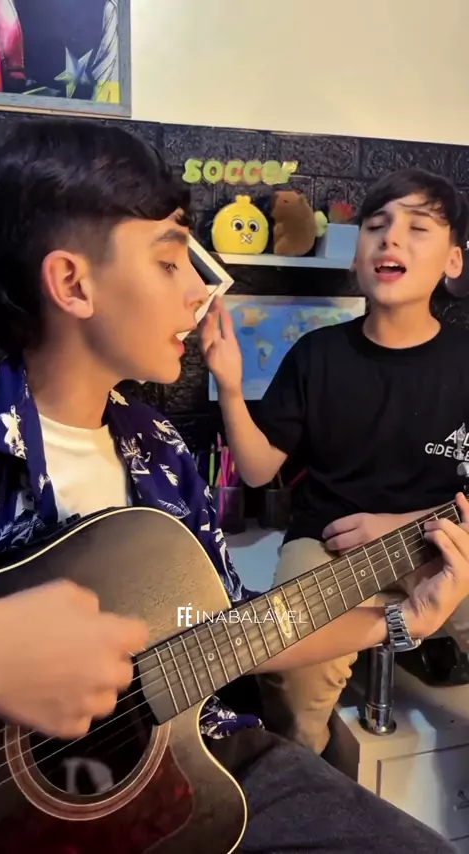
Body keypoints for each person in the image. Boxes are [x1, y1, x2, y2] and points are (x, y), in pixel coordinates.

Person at [0, 118, 467, 854]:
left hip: (197, 757)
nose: (200, 291)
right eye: (170, 261)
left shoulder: (159, 449)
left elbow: (224, 630)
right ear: (73, 283)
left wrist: (403, 622)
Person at [202, 167, 469, 757]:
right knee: (290, 679)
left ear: (453, 260)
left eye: (417, 227)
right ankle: (312, 776)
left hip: (442, 543)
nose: (390, 237)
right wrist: (230, 385)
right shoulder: (317, 354)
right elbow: (256, 470)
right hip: (328, 544)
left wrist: (402, 527)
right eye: (376, 225)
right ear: (357, 255)